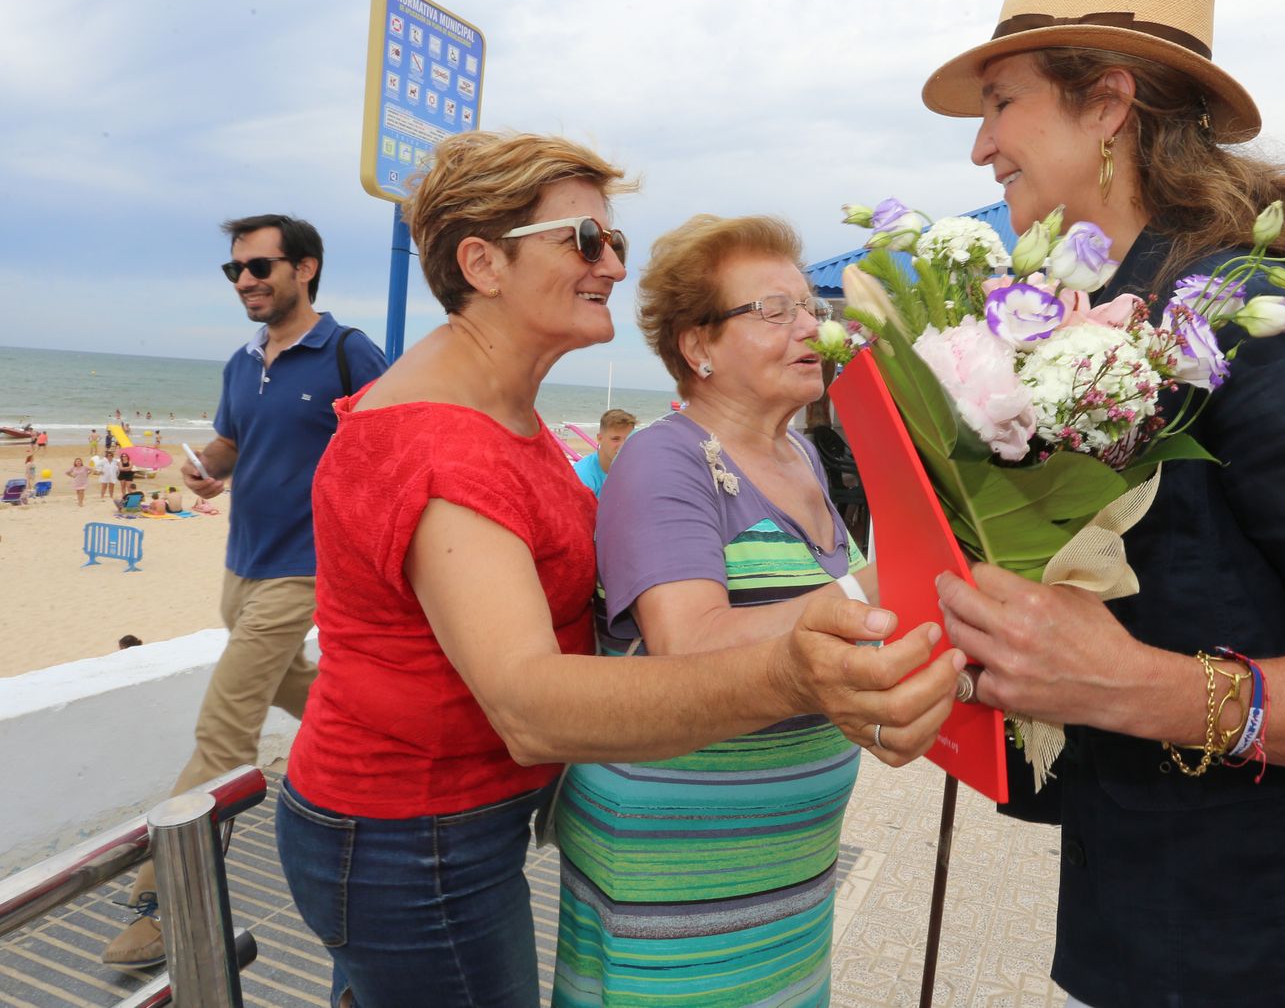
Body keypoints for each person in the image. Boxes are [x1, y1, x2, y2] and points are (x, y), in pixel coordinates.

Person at [273, 131, 958, 1008]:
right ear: (481, 263)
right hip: (411, 837)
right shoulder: (438, 443)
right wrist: (794, 672)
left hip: (461, 819)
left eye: (617, 240)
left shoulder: (498, 412)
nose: (612, 263)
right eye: (585, 240)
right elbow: (527, 705)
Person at [922, 0, 1285, 1007]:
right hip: (1136, 884)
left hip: (1259, 926)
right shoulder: (1091, 314)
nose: (981, 145)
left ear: (1108, 104)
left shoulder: (1267, 329)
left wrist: (1141, 686)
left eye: (1000, 101)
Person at [552, 215, 877, 1005]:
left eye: (810, 308)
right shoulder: (666, 457)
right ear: (698, 346)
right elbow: (688, 642)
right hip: (676, 867)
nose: (810, 327)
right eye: (773, 311)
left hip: (788, 865)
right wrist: (874, 603)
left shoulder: (799, 452)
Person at [101, 214, 387, 970]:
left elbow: (400, 439)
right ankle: (387, 745)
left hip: (308, 567)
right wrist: (208, 468)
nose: (247, 281)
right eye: (235, 271)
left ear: (305, 268)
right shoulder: (243, 360)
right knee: (310, 690)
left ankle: (160, 903)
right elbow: (232, 441)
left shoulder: (350, 354)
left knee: (222, 735)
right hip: (242, 567)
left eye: (260, 266)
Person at [570, 408, 636, 496]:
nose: (622, 445)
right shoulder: (582, 476)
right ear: (600, 438)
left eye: (628, 439)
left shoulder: (634, 470)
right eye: (615, 439)